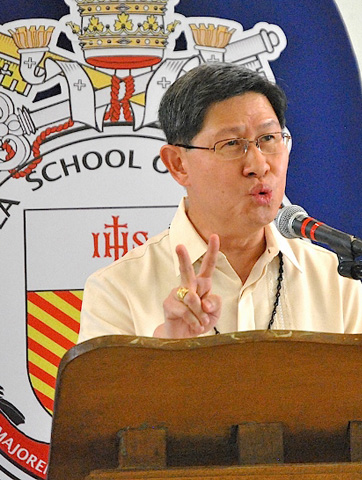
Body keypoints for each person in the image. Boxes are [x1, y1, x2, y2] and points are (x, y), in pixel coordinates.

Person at [78, 62, 362, 342]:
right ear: (178, 164)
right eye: (232, 144)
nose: (259, 164)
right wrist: (166, 353)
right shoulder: (117, 291)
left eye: (268, 138)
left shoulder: (338, 282)